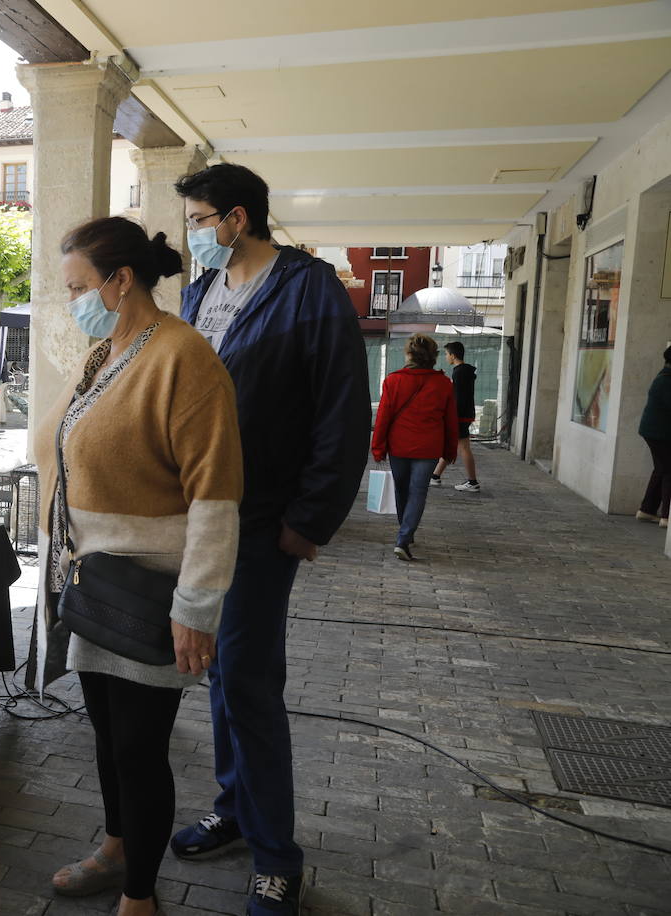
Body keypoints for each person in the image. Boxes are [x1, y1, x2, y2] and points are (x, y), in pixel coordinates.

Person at [170, 163, 370, 916]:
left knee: (249, 681)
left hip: (262, 519)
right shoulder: (200, 293)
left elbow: (342, 409)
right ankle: (234, 807)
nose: (192, 233)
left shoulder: (308, 287)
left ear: (237, 218)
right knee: (220, 672)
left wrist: (311, 518)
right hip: (203, 513)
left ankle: (277, 855)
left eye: (198, 218)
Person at [35, 217, 242, 916]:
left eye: (78, 287)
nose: (72, 301)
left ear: (121, 281)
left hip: (149, 588)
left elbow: (215, 493)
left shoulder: (184, 357)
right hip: (93, 581)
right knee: (106, 735)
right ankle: (120, 844)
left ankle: (140, 898)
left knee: (139, 750)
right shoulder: (107, 350)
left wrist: (197, 606)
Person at [372, 334, 458, 561]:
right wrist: (450, 450)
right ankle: (404, 535)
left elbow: (383, 417)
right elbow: (450, 420)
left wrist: (378, 447)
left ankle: (405, 532)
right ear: (434, 356)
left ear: (409, 354)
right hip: (429, 448)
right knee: (418, 491)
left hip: (399, 445)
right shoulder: (443, 384)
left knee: (402, 490)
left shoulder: (393, 381)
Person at [431, 341, 480, 491]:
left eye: (446, 354)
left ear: (453, 355)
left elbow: (458, 398)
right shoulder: (464, 371)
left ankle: (472, 482)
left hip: (460, 416)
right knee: (452, 445)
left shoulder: (459, 372)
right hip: (464, 414)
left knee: (463, 447)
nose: (446, 357)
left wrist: (451, 415)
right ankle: (435, 476)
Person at [636, 344, 671, 528]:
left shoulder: (663, 376)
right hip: (660, 433)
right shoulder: (666, 380)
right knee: (668, 470)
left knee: (661, 469)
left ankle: (647, 510)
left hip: (654, 432)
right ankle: (666, 516)